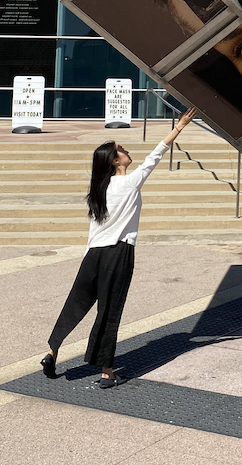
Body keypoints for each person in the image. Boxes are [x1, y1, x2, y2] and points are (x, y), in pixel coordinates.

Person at [41, 107, 197, 388]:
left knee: (75, 303)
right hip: (118, 254)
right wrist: (180, 127)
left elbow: (94, 227)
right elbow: (156, 155)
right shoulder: (129, 182)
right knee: (109, 311)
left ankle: (52, 351)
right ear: (115, 160)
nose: (126, 151)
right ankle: (106, 372)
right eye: (122, 149)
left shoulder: (99, 189)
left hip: (94, 254)